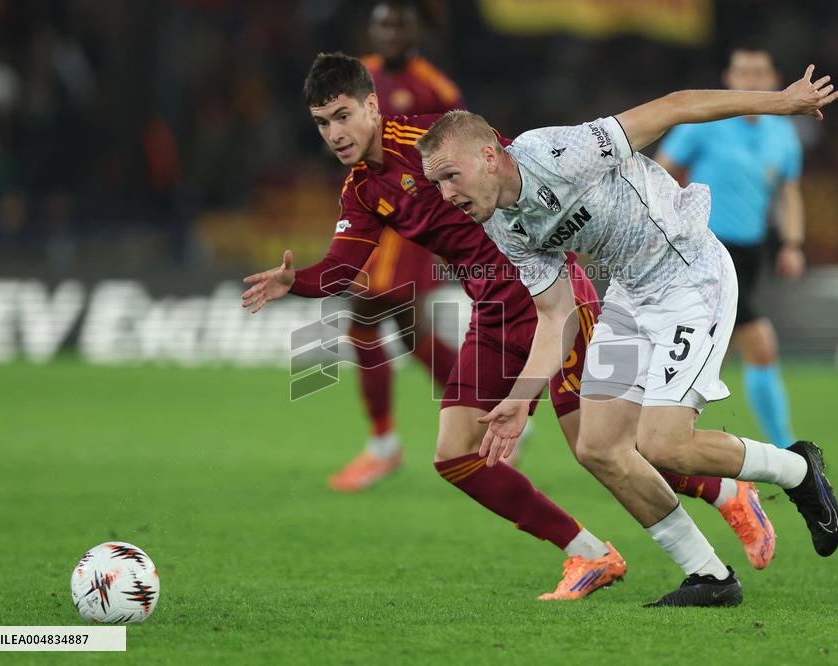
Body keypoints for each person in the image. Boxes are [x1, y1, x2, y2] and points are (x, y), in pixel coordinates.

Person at [242, 52, 773, 602]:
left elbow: (514, 175)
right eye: (323, 123)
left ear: (372, 107)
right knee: (454, 455)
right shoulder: (361, 189)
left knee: (601, 449)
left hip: (552, 303)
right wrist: (295, 281)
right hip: (492, 313)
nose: (335, 132)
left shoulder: (433, 139)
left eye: (343, 115)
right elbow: (341, 270)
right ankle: (589, 553)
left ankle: (725, 492)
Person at [417, 64, 838, 606]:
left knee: (663, 443)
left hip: (691, 275)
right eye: (435, 184)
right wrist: (519, 399)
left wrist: (778, 102)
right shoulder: (503, 226)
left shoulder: (562, 153)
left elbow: (675, 105)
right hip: (631, 297)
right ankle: (709, 578)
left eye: (449, 176)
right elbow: (554, 315)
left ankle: (799, 470)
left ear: (488, 155)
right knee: (599, 447)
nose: (444, 192)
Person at [329, 0, 465, 492]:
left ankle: (384, 446)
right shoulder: (356, 77)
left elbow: (452, 159)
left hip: (406, 222)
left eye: (398, 23)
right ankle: (488, 407)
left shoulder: (436, 89)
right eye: (381, 22)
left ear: (416, 30)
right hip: (370, 213)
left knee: (363, 316)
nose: (388, 31)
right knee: (409, 334)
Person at [654, 42, 804, 448]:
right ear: (728, 80)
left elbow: (788, 191)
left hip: (751, 252)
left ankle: (655, 435)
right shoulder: (704, 123)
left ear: (773, 80)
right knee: (759, 344)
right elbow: (659, 170)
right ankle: (789, 452)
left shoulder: (784, 134)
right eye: (743, 73)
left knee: (709, 352)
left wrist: (792, 242)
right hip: (707, 251)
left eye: (759, 73)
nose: (751, 81)